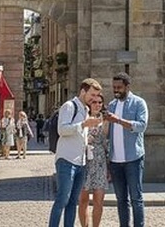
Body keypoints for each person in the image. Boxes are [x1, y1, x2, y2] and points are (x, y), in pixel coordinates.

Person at [49, 78, 103, 227]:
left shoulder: (86, 110)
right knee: (62, 199)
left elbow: (81, 135)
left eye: (96, 95)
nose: (94, 99)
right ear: (83, 91)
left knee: (73, 201)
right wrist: (84, 124)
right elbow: (62, 130)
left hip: (81, 162)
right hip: (66, 160)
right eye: (92, 95)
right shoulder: (69, 106)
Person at [105, 72, 148, 227]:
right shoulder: (111, 105)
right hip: (115, 161)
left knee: (136, 198)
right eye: (114, 87)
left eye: (119, 87)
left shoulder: (139, 103)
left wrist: (118, 120)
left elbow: (142, 126)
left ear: (127, 87)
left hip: (133, 159)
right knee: (121, 199)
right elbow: (107, 134)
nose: (116, 90)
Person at [79, 95, 109, 227]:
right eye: (94, 102)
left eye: (100, 102)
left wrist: (109, 166)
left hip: (100, 162)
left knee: (99, 200)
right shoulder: (83, 118)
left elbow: (108, 143)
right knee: (83, 200)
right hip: (84, 161)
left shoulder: (106, 120)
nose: (97, 104)